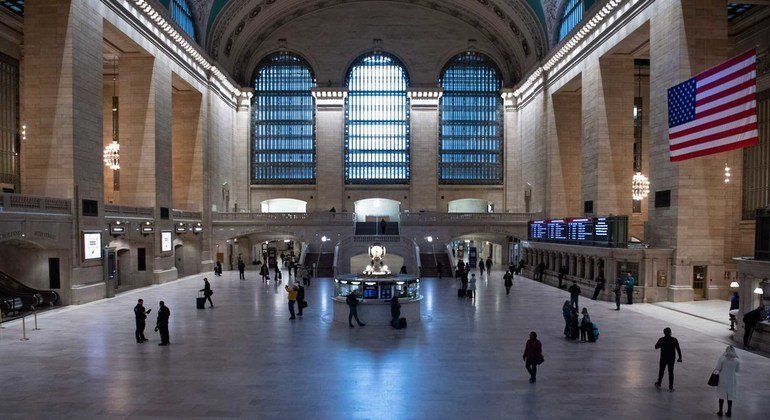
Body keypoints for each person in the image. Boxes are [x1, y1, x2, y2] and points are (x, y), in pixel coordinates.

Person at [714, 345, 740, 417]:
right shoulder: (737, 360)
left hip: (722, 379)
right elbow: (737, 370)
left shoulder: (722, 358)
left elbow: (718, 368)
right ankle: (729, 412)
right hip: (732, 380)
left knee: (721, 395)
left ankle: (720, 411)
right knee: (730, 396)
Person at [654, 327, 682, 391]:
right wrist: (680, 357)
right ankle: (671, 387)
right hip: (671, 359)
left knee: (661, 371)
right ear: (670, 332)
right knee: (671, 372)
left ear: (664, 333)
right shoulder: (674, 340)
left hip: (663, 358)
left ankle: (659, 383)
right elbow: (678, 349)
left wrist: (661, 345)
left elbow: (656, 347)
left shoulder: (661, 339)